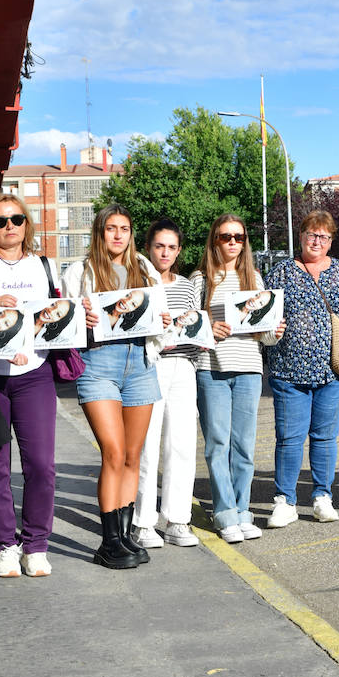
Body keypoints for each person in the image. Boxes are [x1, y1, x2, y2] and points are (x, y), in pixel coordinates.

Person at [61, 204, 170, 569]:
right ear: (100, 231)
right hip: (99, 364)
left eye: (124, 228)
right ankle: (107, 542)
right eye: (111, 228)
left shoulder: (144, 266)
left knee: (132, 457)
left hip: (140, 363)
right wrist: (82, 316)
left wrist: (163, 318)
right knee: (112, 450)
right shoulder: (80, 270)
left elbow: (159, 315)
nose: (118, 235)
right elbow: (63, 319)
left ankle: (124, 536)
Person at [0, 193, 61, 578]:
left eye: (16, 219)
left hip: (35, 373)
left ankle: (36, 545)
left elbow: (56, 318)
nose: (9, 227)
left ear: (27, 224)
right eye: (0, 220)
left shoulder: (44, 265)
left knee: (41, 466)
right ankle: (5, 546)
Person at [264, 212, 339, 527]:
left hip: (333, 372)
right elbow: (263, 318)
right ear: (302, 236)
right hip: (288, 370)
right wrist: (271, 331)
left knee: (324, 437)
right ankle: (285, 501)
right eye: (311, 234)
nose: (316, 241)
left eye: (323, 236)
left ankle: (323, 496)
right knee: (289, 438)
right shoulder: (280, 272)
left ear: (331, 240)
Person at [190, 214, 284, 541]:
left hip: (248, 369)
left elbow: (265, 337)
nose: (232, 242)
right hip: (212, 368)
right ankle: (225, 513)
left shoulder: (254, 278)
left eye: (239, 237)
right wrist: (208, 329)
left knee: (244, 446)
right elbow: (190, 331)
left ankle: (243, 511)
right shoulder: (201, 280)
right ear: (214, 240)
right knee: (218, 443)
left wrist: (274, 330)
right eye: (225, 236)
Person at [130, 220, 201, 551]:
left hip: (184, 366)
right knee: (148, 446)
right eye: (160, 245)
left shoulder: (188, 286)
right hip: (151, 366)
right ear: (148, 247)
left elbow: (193, 325)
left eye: (172, 247)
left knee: (182, 445)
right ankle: (143, 523)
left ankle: (177, 519)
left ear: (179, 251)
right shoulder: (137, 282)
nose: (166, 252)